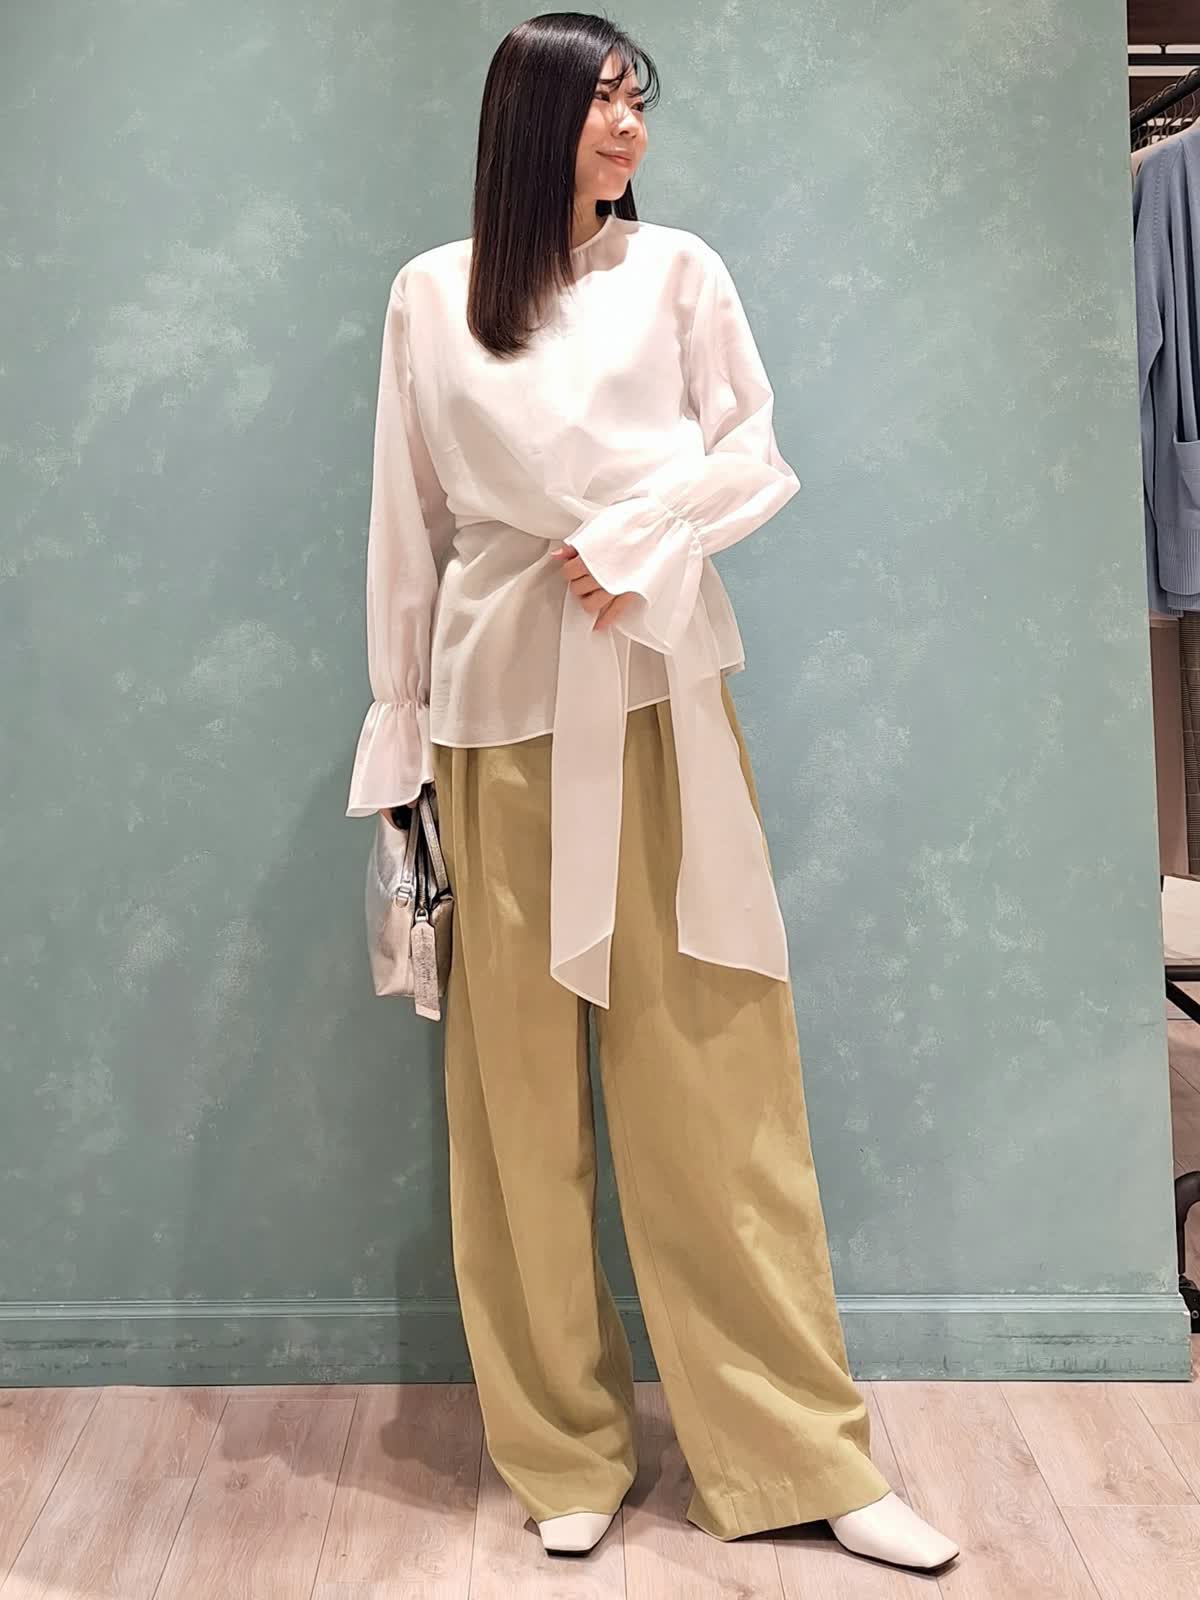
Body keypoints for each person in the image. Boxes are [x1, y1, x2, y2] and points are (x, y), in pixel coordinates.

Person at [345, 10, 960, 1573]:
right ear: (528, 119)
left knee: (717, 1085)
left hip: (657, 699)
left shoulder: (681, 272)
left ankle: (798, 1449)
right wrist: (399, 740)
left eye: (638, 101)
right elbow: (407, 525)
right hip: (492, 721)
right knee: (516, 1103)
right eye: (600, 100)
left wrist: (641, 535)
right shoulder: (429, 296)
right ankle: (562, 1445)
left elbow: (757, 452)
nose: (628, 127)